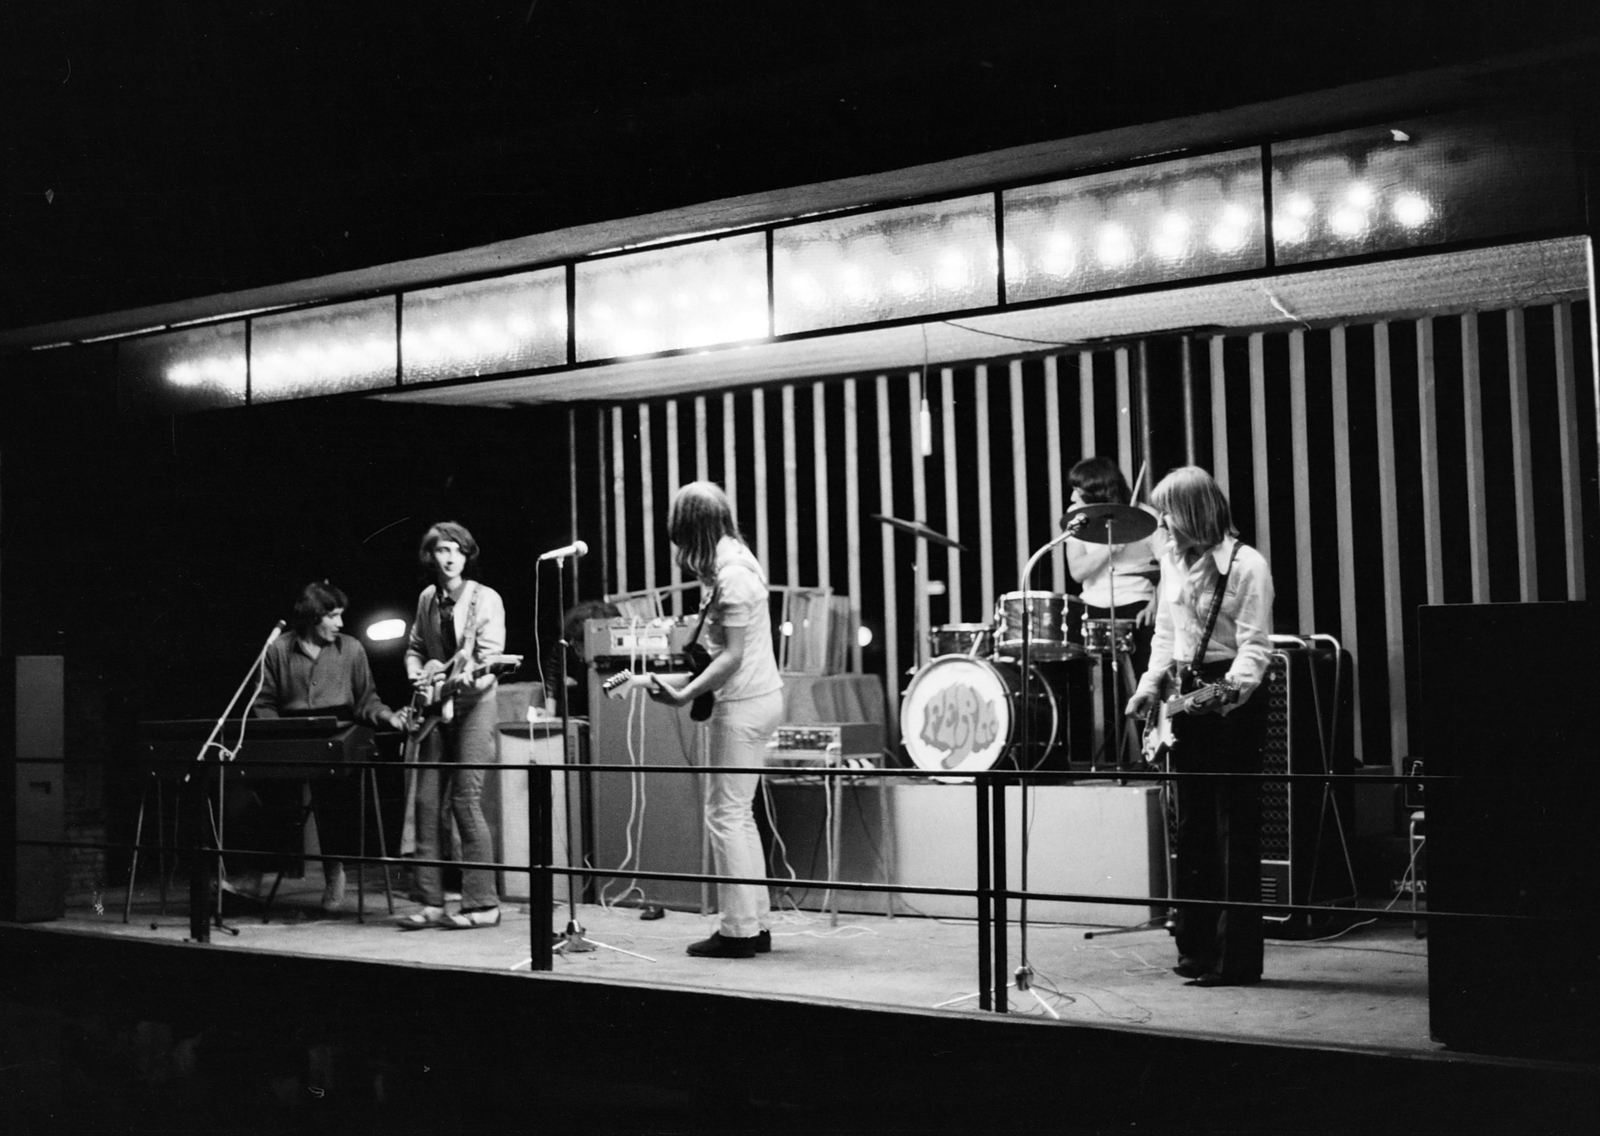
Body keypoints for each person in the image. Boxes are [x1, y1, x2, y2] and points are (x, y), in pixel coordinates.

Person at [1126, 467, 1274, 988]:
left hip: (1229, 695)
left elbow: (1257, 645)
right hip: (1183, 693)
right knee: (1191, 827)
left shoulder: (1245, 565)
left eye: (1166, 512)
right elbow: (1166, 633)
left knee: (1232, 826)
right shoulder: (1171, 559)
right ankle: (1194, 949)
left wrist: (1229, 692)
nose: (1159, 523)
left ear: (1191, 513)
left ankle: (1233, 961)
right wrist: (1149, 687)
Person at [647, 481, 784, 959]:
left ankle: (738, 931)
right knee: (737, 814)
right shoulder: (735, 562)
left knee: (724, 815)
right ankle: (754, 923)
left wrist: (684, 692)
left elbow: (732, 656)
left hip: (744, 703)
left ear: (692, 531)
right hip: (760, 698)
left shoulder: (732, 577)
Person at [231, 581, 405, 912]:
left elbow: (366, 698)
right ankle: (253, 876)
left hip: (337, 731)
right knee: (265, 796)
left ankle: (335, 874)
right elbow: (263, 701)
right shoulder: (278, 649)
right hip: (291, 733)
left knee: (335, 802)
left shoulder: (351, 648)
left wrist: (386, 716)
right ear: (313, 617)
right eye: (333, 616)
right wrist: (277, 737)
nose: (340, 624)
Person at [399, 521, 507, 930]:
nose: (449, 557)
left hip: (474, 706)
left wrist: (466, 679)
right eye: (442, 550)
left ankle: (483, 904)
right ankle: (430, 901)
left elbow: (492, 660)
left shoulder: (486, 599)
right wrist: (417, 675)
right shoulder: (427, 598)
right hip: (434, 708)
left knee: (465, 799)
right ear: (432, 555)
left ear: (466, 556)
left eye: (457, 551)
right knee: (426, 803)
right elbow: (415, 647)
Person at [1065, 456, 1159, 676]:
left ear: (1096, 493)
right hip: (1092, 605)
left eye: (1077, 490)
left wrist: (1156, 604)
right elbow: (1077, 572)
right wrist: (1108, 549)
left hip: (1137, 604)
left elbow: (1170, 567)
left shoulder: (1148, 518)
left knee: (1147, 673)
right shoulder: (1077, 518)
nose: (1072, 496)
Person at [542, 600, 621, 719]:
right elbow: (553, 668)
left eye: (577, 642)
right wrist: (550, 709)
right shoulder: (569, 641)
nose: (572, 643)